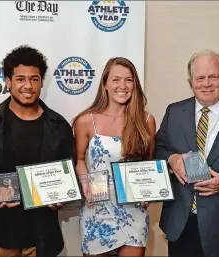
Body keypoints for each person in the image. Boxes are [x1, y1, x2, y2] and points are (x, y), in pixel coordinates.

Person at [0, 45, 75, 257]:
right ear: (8, 81)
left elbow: (68, 175)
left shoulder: (59, 126)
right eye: (20, 79)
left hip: (42, 237)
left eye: (34, 79)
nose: (28, 86)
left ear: (42, 82)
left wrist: (62, 197)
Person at [155, 49, 219, 257]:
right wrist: (171, 158)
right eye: (200, 78)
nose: (206, 84)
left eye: (213, 77)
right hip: (182, 227)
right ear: (190, 81)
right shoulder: (174, 112)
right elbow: (158, 149)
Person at [72, 57, 156, 257]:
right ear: (105, 84)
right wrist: (85, 183)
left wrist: (148, 191)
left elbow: (148, 163)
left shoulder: (146, 120)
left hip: (133, 210)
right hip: (97, 207)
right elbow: (80, 160)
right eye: (116, 80)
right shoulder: (85, 121)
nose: (123, 86)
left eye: (129, 80)